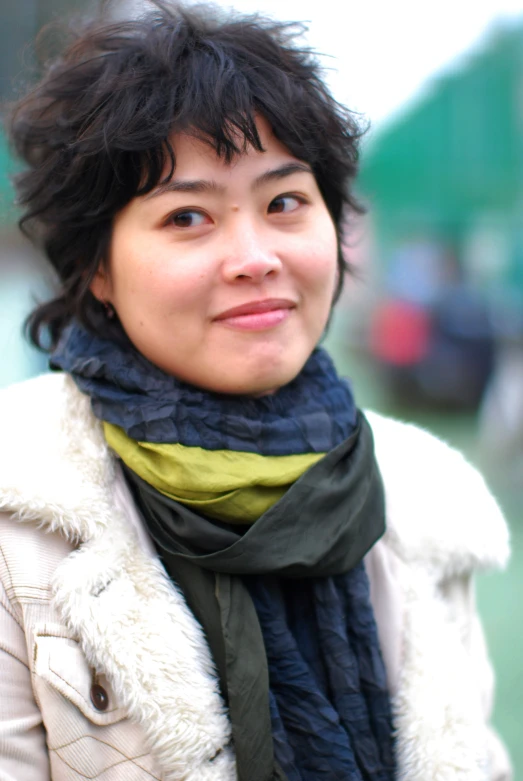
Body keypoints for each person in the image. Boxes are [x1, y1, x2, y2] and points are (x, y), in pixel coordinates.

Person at [0, 2, 511, 779]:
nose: (253, 256)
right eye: (188, 216)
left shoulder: (426, 501)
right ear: (96, 267)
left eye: (282, 203)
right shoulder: (18, 515)